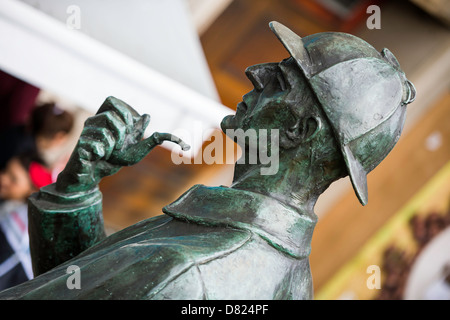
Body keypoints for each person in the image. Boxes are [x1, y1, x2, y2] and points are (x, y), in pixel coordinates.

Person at [0, 22, 415, 299]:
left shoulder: (190, 272)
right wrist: (77, 188)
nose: (255, 71)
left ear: (300, 131)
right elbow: (77, 288)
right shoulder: (281, 274)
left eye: (280, 79)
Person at [0, 152, 52, 290]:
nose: (3, 178)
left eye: (13, 179)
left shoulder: (24, 224)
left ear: (31, 190)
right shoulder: (10, 207)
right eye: (5, 170)